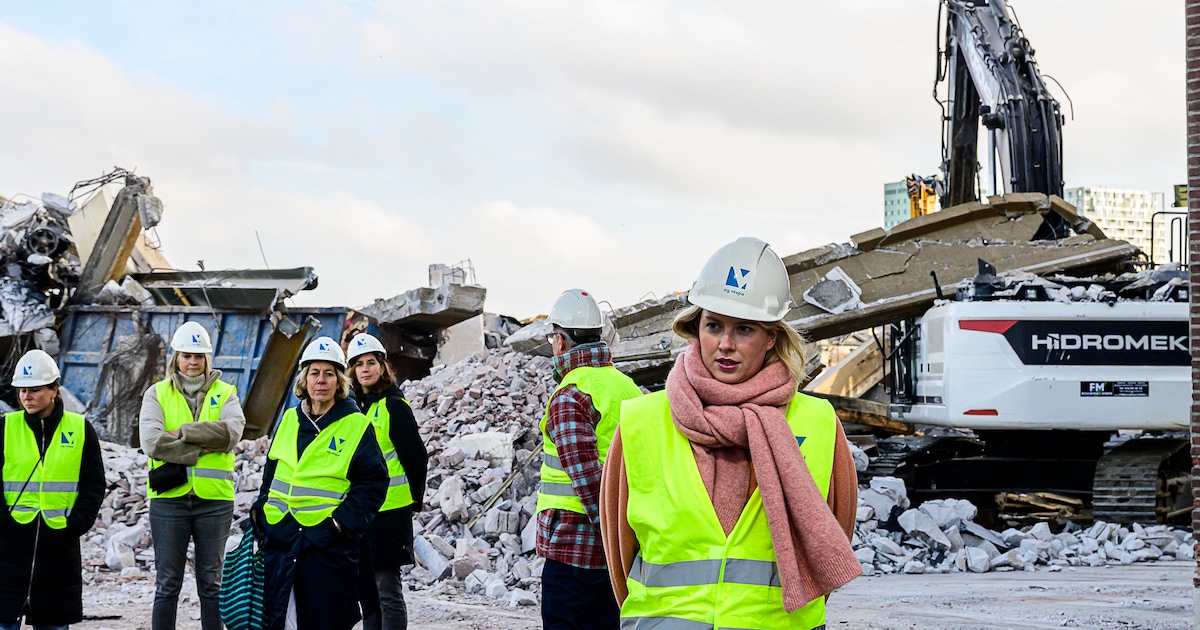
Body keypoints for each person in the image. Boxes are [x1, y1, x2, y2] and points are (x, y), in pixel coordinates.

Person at [599, 237, 862, 630]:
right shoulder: (642, 420)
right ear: (696, 329)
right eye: (714, 326)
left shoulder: (817, 421)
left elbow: (833, 535)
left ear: (771, 337)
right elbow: (619, 552)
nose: (725, 344)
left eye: (744, 329)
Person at [251, 336, 387, 630]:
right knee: (279, 621)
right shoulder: (289, 419)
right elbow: (271, 471)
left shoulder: (356, 424)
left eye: (329, 373)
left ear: (339, 381)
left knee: (323, 620)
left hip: (326, 544)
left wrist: (340, 525)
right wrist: (262, 512)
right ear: (305, 378)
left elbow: (374, 483)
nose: (321, 381)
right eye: (314, 373)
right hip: (282, 537)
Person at [536, 289, 643, 630]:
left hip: (575, 552)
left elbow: (589, 482)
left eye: (554, 337)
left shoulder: (571, 395)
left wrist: (613, 542)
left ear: (561, 342)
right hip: (620, 552)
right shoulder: (628, 387)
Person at [139, 321, 246, 630]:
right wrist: (203, 446)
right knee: (168, 582)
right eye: (187, 355)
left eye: (199, 356)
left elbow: (232, 432)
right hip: (168, 501)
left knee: (211, 583)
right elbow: (151, 442)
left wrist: (183, 433)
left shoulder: (226, 392)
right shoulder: (156, 393)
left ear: (207, 359)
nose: (193, 362)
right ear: (177, 357)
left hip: (214, 501)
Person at [0, 349, 104, 630]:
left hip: (58, 547)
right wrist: (3, 521)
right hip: (10, 546)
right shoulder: (5, 427)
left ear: (54, 390)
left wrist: (76, 524)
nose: (26, 397)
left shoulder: (81, 429)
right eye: (22, 391)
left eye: (34, 390)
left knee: (54, 624)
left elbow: (93, 483)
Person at [346, 333, 428, 630]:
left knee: (386, 589)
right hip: (361, 511)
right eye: (359, 364)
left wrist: (415, 500)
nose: (365, 369)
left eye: (371, 363)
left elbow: (416, 457)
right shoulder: (352, 408)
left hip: (390, 510)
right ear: (352, 371)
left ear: (382, 366)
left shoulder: (394, 406)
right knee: (366, 591)